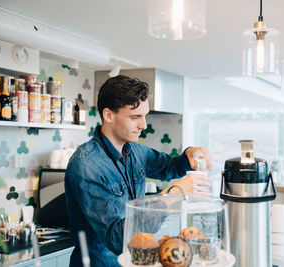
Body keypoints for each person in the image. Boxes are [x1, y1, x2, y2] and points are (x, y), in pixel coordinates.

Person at [65, 75, 212, 267]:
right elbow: (118, 239)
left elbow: (172, 166)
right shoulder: (86, 165)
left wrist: (190, 154)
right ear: (108, 115)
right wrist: (172, 195)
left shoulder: (136, 151)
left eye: (144, 116)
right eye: (135, 117)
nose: (143, 125)